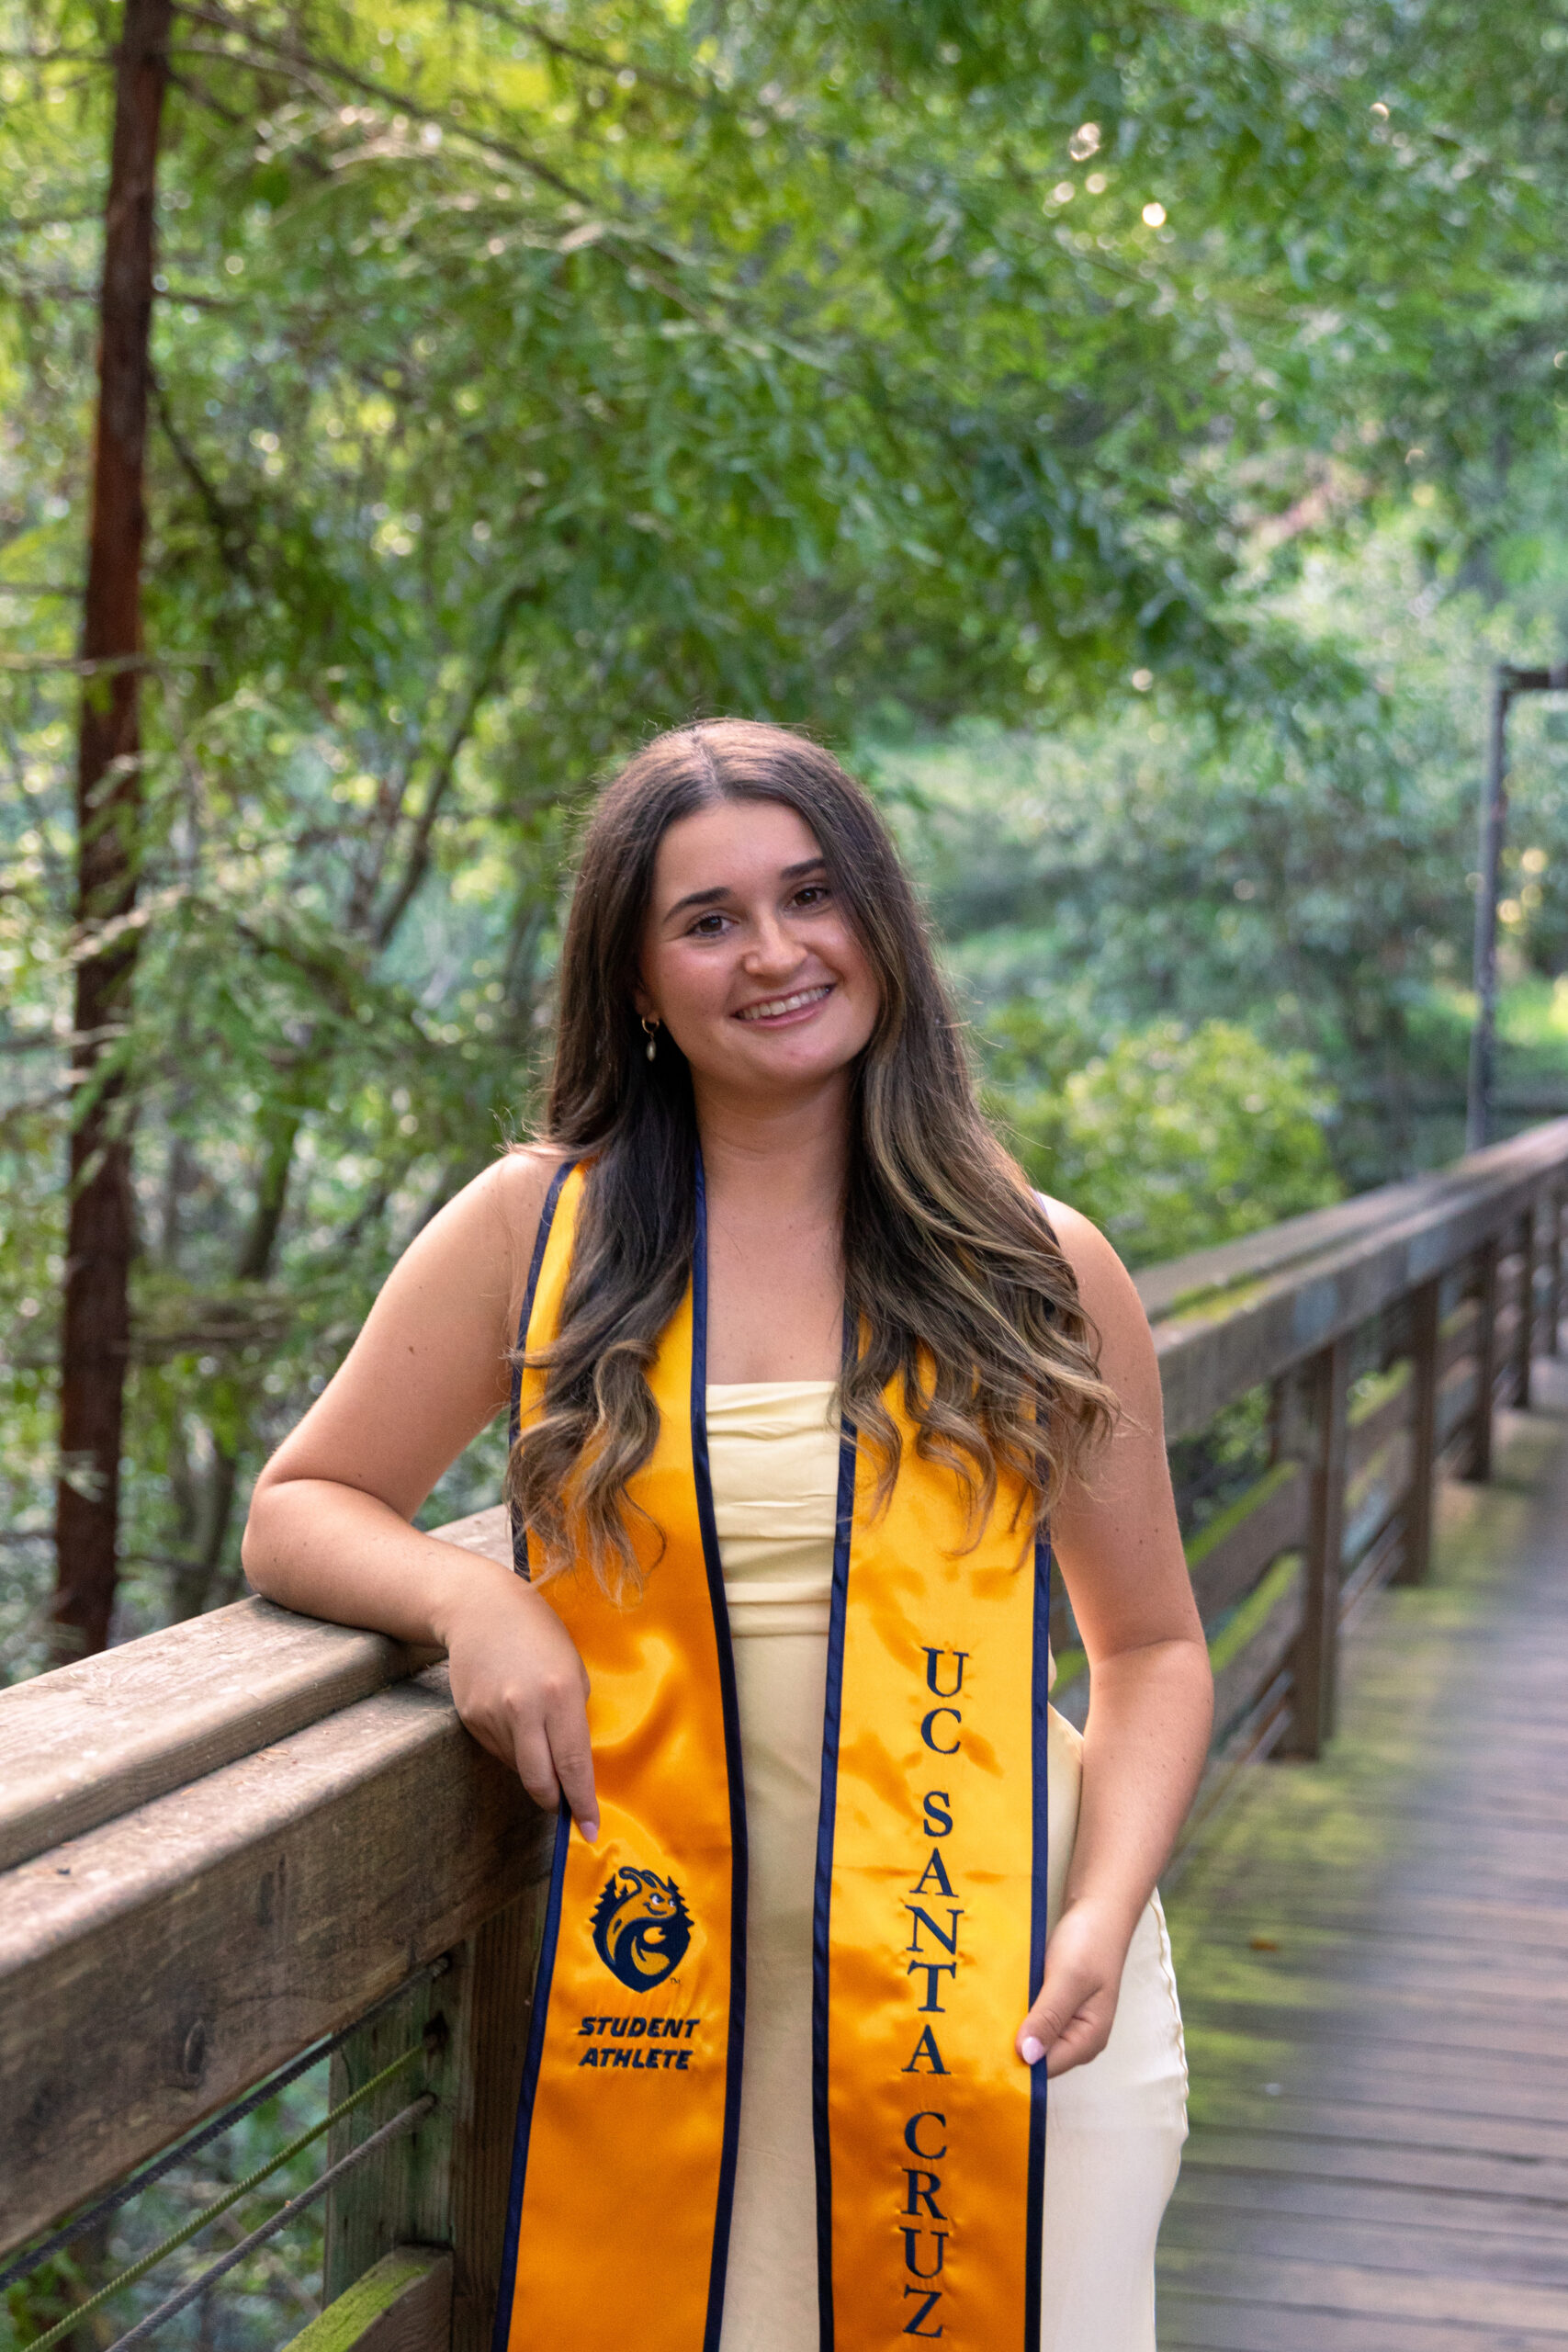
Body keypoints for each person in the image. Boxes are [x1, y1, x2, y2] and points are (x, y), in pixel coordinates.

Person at [242, 719, 1213, 2352]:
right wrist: (472, 1605)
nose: (775, 953)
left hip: (996, 1993)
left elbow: (1154, 1646)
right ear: (635, 978)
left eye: (812, 895)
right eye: (708, 919)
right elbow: (301, 1506)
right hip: (661, 2017)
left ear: (879, 925)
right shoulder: (537, 1232)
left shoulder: (1036, 1263)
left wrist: (1100, 1917)